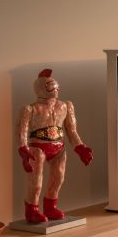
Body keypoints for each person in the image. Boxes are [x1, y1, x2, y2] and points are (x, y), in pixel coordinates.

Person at [16, 69, 93, 223]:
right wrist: (23, 149)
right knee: (36, 182)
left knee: (58, 178)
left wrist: (80, 147)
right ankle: (32, 209)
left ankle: (50, 207)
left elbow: (71, 131)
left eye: (57, 86)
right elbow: (21, 130)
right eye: (51, 86)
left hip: (58, 146)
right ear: (40, 88)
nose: (56, 89)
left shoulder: (65, 106)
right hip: (37, 147)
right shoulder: (30, 109)